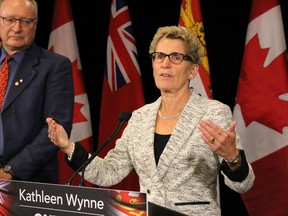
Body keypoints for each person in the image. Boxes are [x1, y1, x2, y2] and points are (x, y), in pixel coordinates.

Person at [46, 26, 255, 215]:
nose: (165, 63)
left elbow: (243, 185)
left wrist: (233, 157)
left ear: (192, 70)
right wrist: (68, 147)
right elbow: (108, 173)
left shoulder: (213, 112)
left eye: (176, 57)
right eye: (159, 56)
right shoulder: (139, 117)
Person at [0, 0, 74, 183]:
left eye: (25, 21)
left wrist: (10, 170)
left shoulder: (55, 66)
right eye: (10, 19)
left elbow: (55, 129)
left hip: (29, 182)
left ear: (35, 24)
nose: (17, 28)